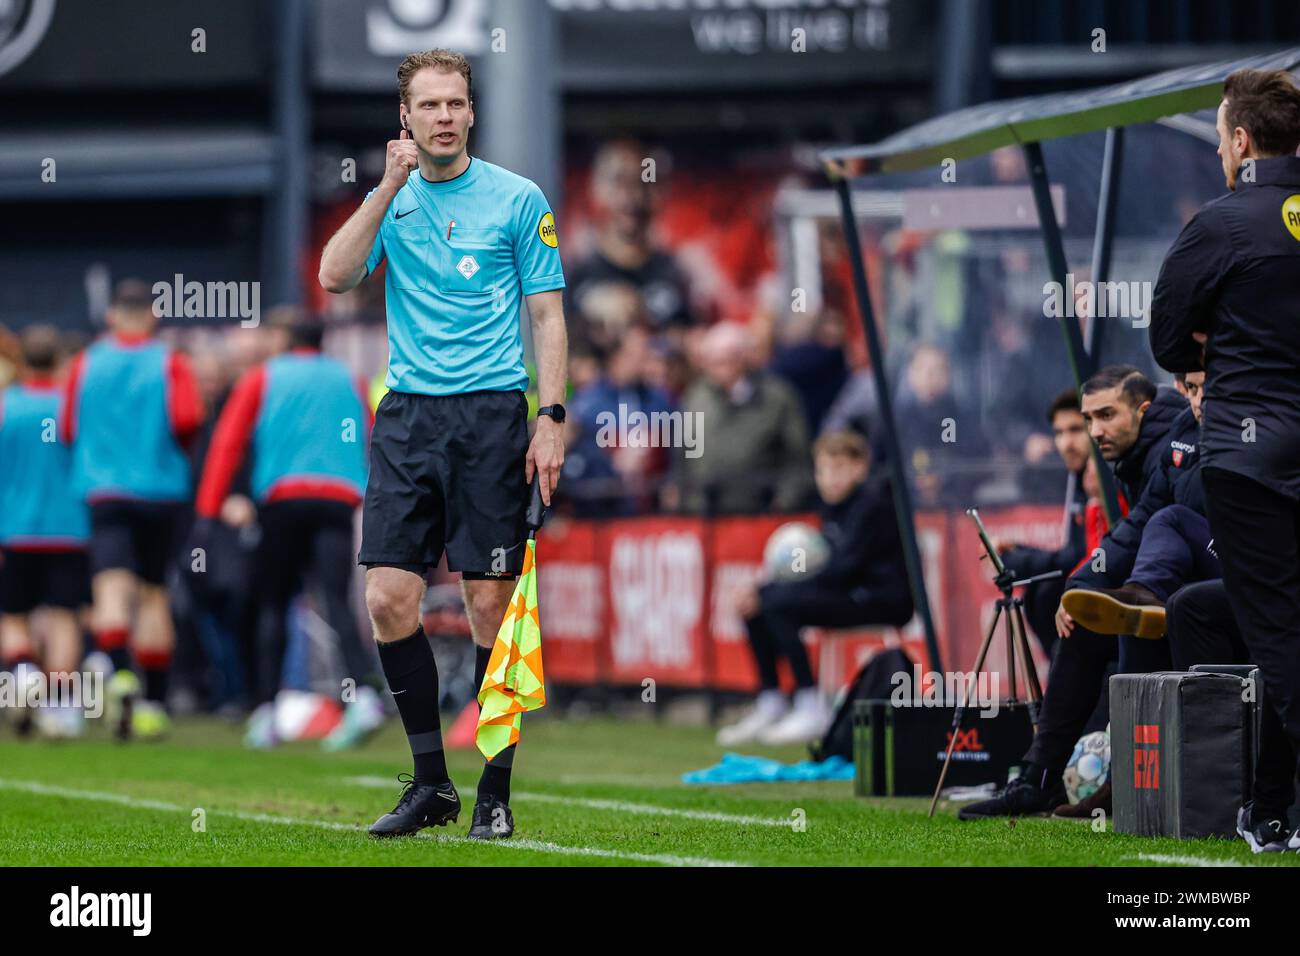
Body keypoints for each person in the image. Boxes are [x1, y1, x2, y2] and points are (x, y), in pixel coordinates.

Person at [318, 49, 567, 840]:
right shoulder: (389, 199)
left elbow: (549, 315)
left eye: (456, 103)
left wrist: (551, 415)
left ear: (471, 111)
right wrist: (385, 187)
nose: (445, 117)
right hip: (408, 419)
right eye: (429, 106)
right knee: (387, 599)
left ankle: (494, 789)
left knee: (490, 603)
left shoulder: (519, 199)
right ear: (406, 120)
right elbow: (333, 275)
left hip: (493, 415)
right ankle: (432, 783)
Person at [1148, 67, 1300, 850]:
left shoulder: (1223, 221)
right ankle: (1272, 813)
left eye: (1218, 136)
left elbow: (1167, 338)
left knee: (1278, 634)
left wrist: (1218, 337)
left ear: (1241, 141)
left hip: (1251, 457)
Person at [959, 366, 1187, 820]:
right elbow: (1131, 532)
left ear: (1142, 410)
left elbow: (1144, 525)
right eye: (1088, 419)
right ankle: (1038, 779)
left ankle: (1127, 784)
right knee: (1083, 623)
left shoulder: (1172, 445)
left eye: (1106, 415)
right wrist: (1081, 586)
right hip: (1164, 585)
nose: (1093, 432)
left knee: (1125, 620)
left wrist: (1081, 582)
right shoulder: (1131, 455)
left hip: (1198, 590)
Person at [193, 319, 382, 750]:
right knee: (335, 599)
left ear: (284, 340)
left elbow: (228, 442)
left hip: (281, 500)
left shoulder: (264, 377)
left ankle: (267, 711)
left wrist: (206, 514)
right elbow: (374, 435)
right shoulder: (350, 379)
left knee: (273, 601)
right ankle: (364, 695)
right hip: (338, 500)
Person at [61, 280, 205, 740]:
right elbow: (188, 420)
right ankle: (154, 704)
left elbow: (67, 427)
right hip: (160, 492)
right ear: (152, 315)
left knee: (110, 588)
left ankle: (120, 674)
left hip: (103, 489)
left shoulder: (86, 363)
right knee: (154, 594)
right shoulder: (171, 362)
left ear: (111, 316)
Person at [717, 430, 913, 746]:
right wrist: (763, 588)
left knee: (777, 603)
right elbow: (830, 569)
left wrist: (773, 590)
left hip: (880, 599)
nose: (830, 479)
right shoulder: (831, 507)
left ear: (860, 468)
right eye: (823, 470)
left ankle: (809, 703)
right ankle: (771, 698)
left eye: (839, 469)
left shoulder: (873, 504)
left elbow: (843, 569)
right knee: (754, 601)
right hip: (848, 591)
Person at [0, 326, 91, 738]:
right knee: (64, 618)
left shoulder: (5, 407)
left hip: (15, 528)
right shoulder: (73, 407)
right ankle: (58, 705)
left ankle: (20, 677)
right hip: (69, 527)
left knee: (14, 616)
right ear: (59, 361)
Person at [990, 388, 1093, 658]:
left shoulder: (1099, 480)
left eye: (1075, 430)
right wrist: (1022, 551)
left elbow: (1084, 554)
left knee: (1047, 591)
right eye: (1058, 433)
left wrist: (1024, 560)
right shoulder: (1077, 478)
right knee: (1039, 591)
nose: (1066, 443)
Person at [678, 321, 812, 514]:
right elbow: (682, 456)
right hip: (705, 518)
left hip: (759, 515)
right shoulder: (695, 398)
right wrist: (687, 504)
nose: (715, 370)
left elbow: (798, 459)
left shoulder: (776, 398)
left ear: (742, 359)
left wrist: (783, 504)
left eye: (723, 361)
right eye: (710, 362)